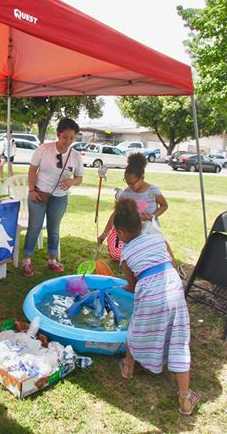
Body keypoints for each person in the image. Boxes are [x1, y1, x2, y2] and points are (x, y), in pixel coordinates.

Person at [114, 198, 199, 416]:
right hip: (173, 287)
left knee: (136, 328)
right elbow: (170, 261)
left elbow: (133, 286)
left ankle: (128, 369)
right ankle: (185, 399)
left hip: (150, 292)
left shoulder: (125, 255)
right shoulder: (157, 238)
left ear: (121, 233)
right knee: (180, 340)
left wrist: (127, 287)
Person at [22, 118, 84, 277]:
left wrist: (72, 181)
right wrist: (31, 190)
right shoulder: (44, 149)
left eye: (72, 138)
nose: (68, 141)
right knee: (34, 227)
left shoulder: (75, 155)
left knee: (54, 229)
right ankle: (27, 260)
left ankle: (52, 260)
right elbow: (32, 170)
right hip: (39, 193)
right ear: (58, 134)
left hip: (60, 197)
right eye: (65, 137)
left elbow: (79, 178)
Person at [98, 152, 168, 244]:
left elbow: (164, 206)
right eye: (126, 182)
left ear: (142, 177)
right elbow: (116, 214)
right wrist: (104, 234)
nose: (129, 186)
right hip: (131, 237)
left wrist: (153, 216)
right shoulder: (126, 194)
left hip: (150, 235)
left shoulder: (153, 191)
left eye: (132, 183)